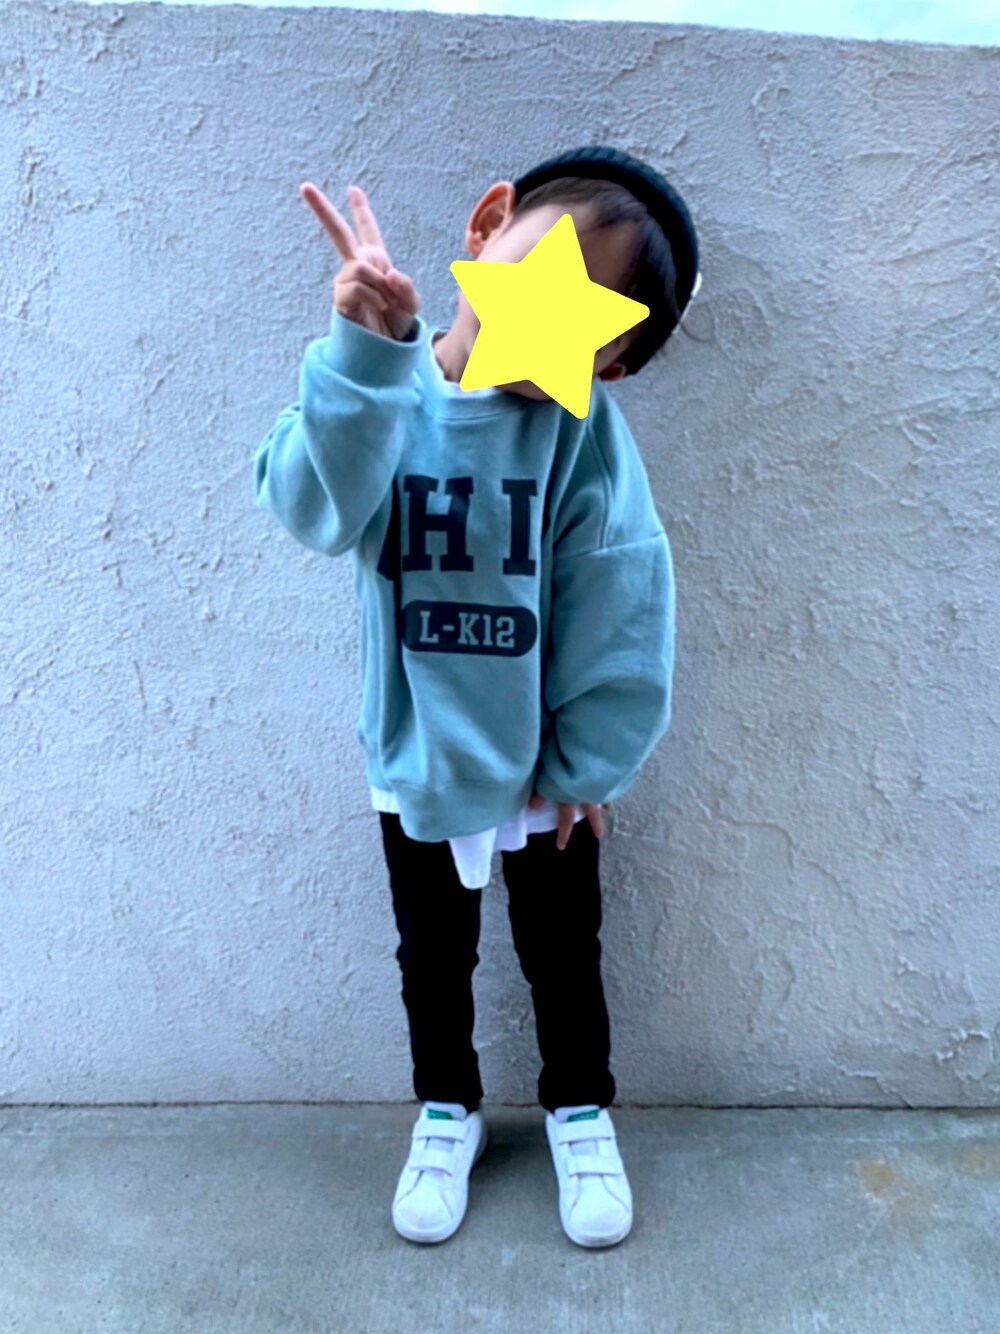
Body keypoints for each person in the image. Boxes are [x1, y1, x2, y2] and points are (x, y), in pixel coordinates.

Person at [254, 145, 701, 1249]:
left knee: (563, 951)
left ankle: (578, 1108)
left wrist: (590, 760)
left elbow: (620, 590)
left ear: (614, 366)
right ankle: (445, 1107)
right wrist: (362, 356)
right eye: (544, 275)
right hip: (413, 753)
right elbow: (310, 508)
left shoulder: (577, 435)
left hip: (543, 767)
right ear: (487, 224)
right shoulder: (384, 393)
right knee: (432, 955)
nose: (548, 327)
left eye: (589, 329)